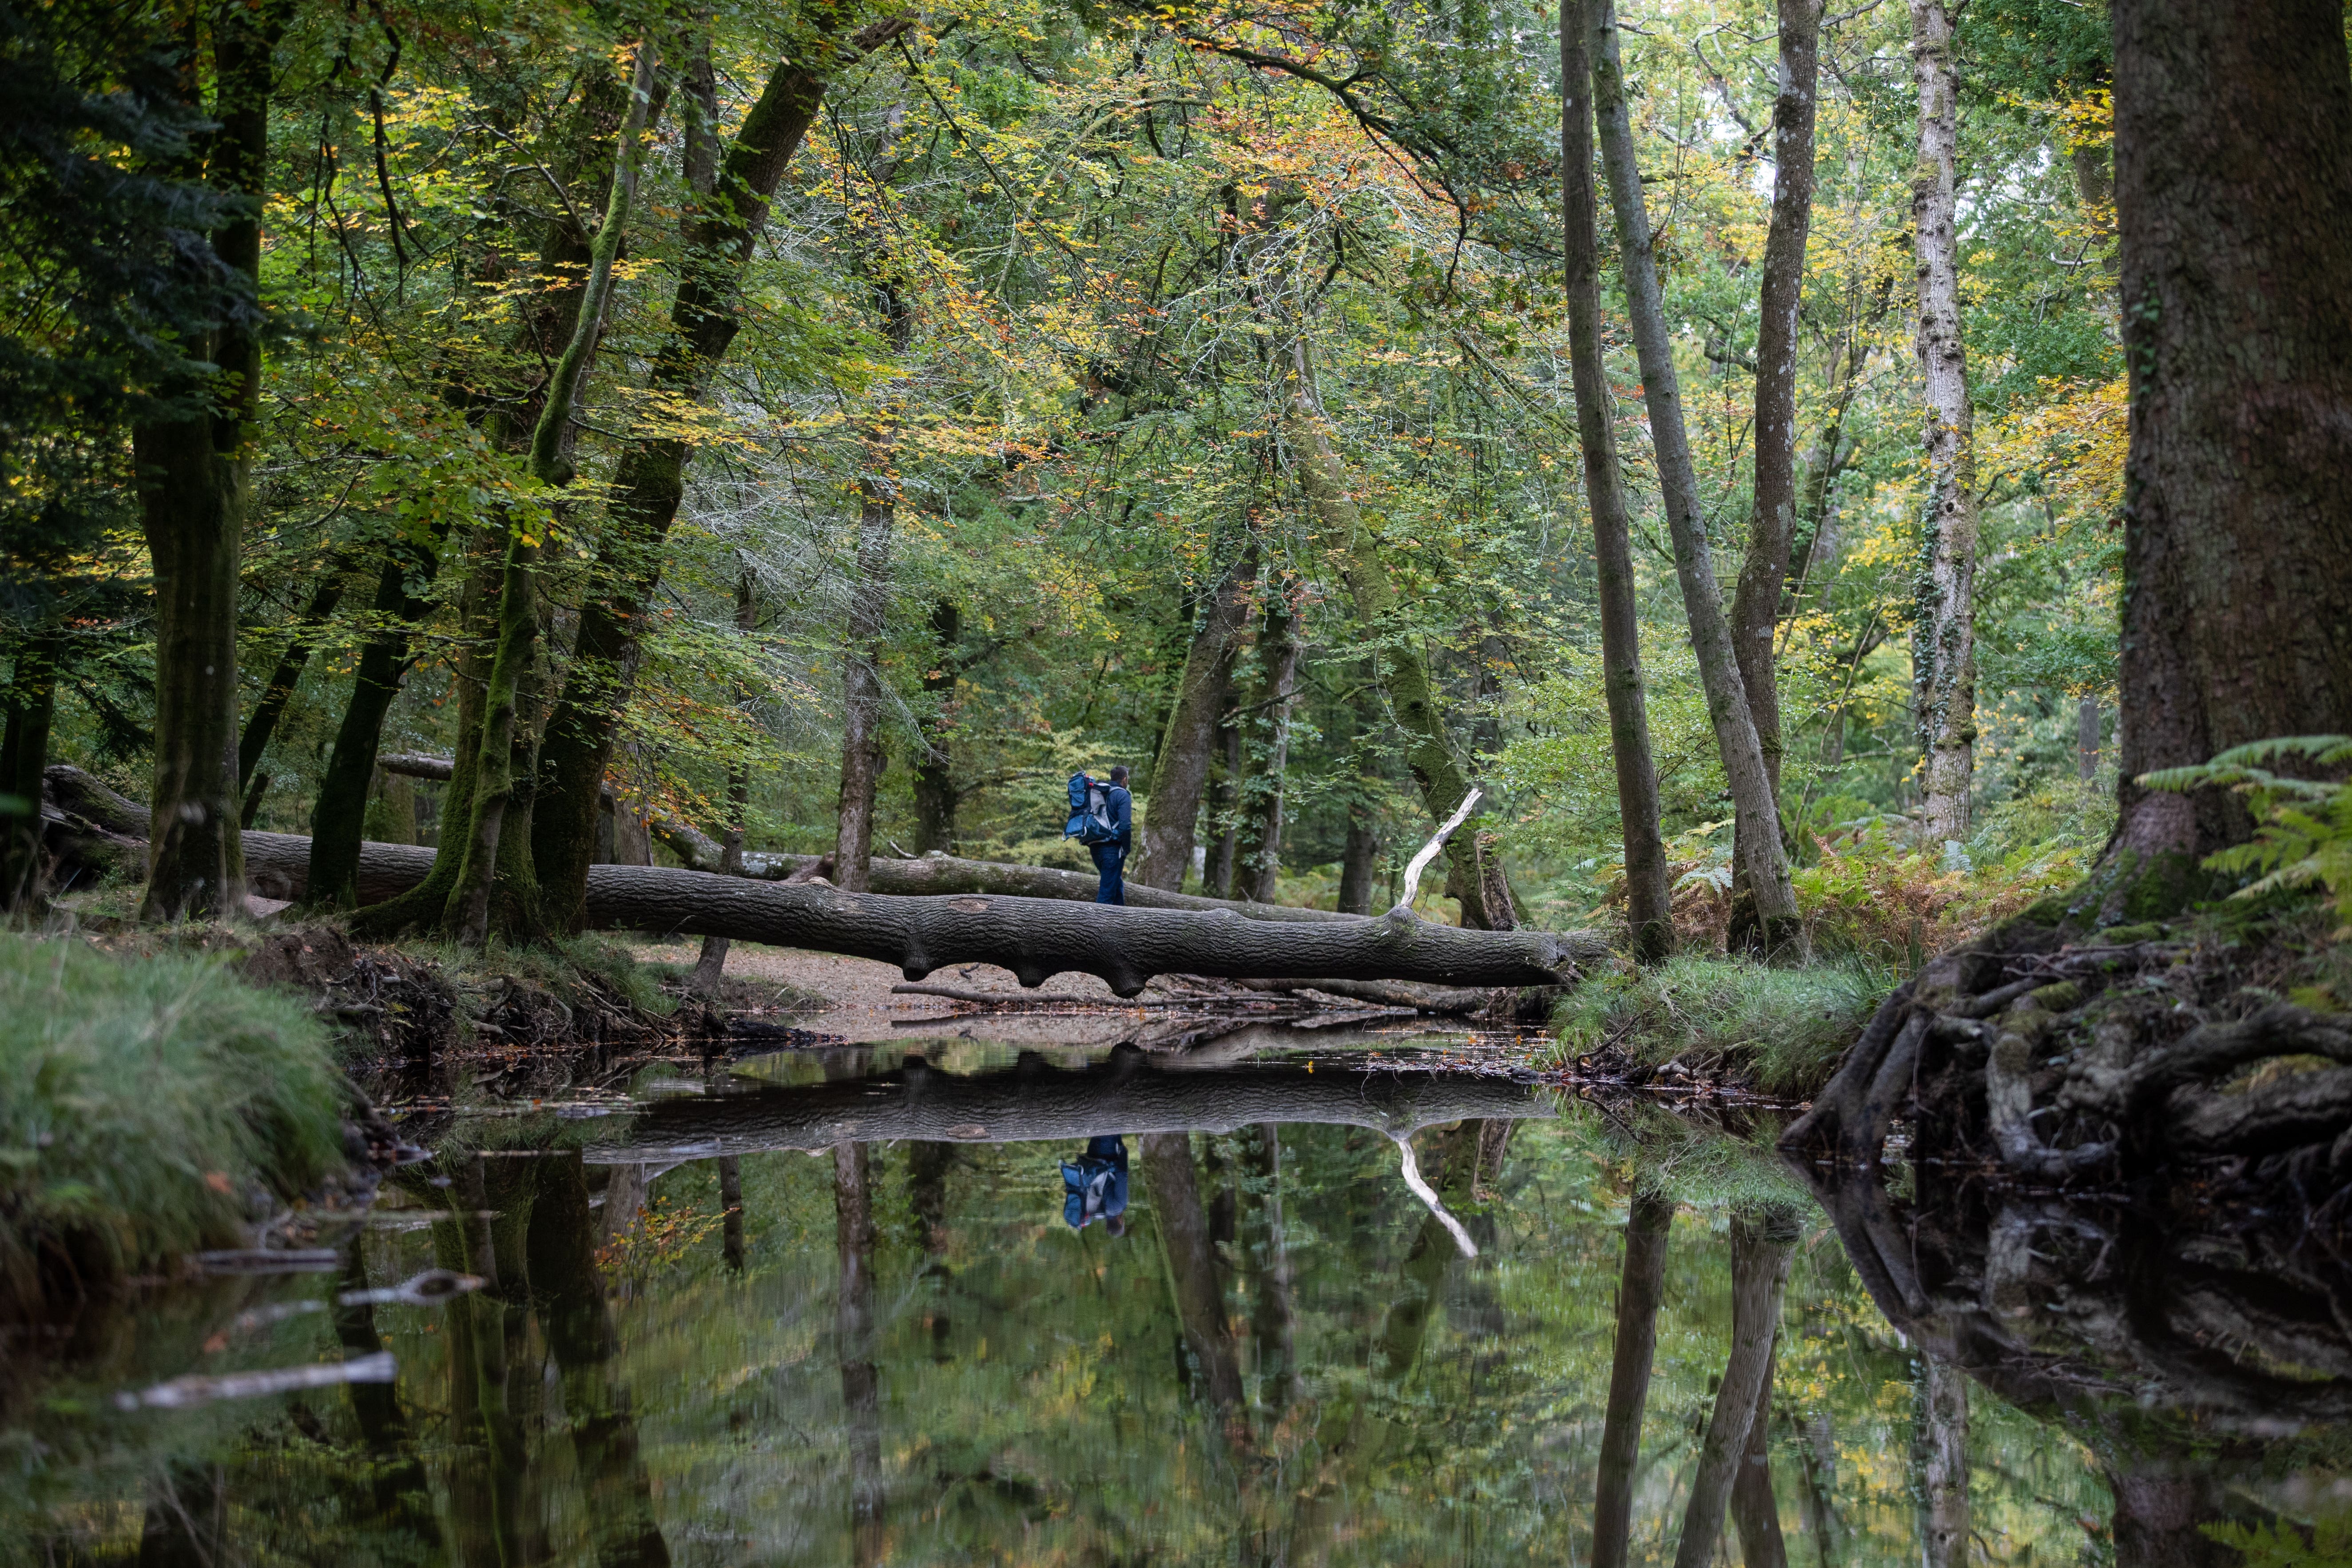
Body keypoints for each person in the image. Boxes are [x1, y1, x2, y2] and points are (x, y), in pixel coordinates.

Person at [1061, 1134, 1128, 1235]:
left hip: (1107, 1152)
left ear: (1121, 1222)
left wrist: (1124, 1152)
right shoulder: (1098, 1210)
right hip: (1091, 1158)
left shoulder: (1119, 1205)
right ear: (1107, 1224)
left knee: (1108, 1122)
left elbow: (1122, 1174)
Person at [1092, 764, 1132, 905]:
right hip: (1112, 850)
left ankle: (1122, 925)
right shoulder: (1122, 795)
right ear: (1125, 780)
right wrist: (1126, 848)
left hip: (1095, 847)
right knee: (1106, 895)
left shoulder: (1102, 792)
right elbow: (1126, 826)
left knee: (1116, 887)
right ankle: (1096, 926)